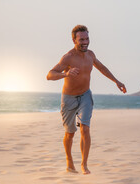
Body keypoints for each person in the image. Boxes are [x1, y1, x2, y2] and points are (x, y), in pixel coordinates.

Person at [47, 25, 126, 174]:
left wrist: (116, 81)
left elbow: (102, 68)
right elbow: (50, 75)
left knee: (85, 128)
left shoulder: (91, 55)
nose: (85, 42)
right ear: (74, 40)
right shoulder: (68, 57)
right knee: (70, 133)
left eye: (87, 38)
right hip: (69, 98)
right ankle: (69, 160)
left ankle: (84, 164)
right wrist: (66, 74)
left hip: (85, 95)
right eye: (81, 39)